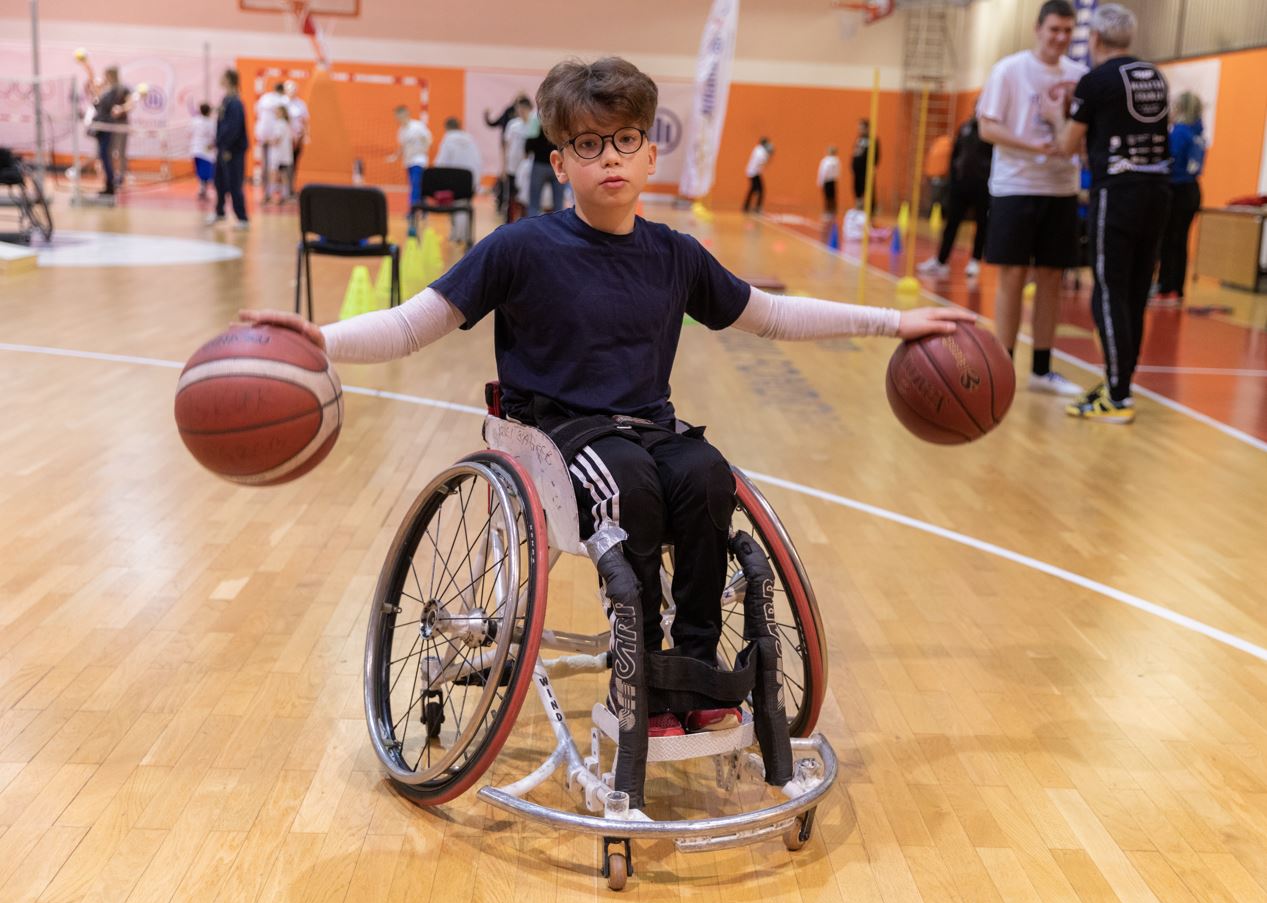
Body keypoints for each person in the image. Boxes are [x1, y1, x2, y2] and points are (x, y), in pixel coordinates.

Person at [239, 56, 971, 806]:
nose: (609, 158)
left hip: (649, 425)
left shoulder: (674, 254)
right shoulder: (520, 248)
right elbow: (411, 323)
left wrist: (893, 322)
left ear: (651, 154)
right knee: (629, 483)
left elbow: (772, 314)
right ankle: (642, 673)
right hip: (556, 434)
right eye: (588, 145)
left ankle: (693, 671)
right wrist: (317, 337)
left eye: (624, 140)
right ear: (560, 163)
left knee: (707, 474)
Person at [1041, 4, 1170, 423]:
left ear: (1094, 39)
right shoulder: (1155, 75)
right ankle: (1121, 384)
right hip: (1158, 192)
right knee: (1133, 292)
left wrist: (1052, 115)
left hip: (1117, 193)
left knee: (1109, 291)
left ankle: (1116, 397)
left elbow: (1065, 145)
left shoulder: (1095, 81)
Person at [977, 0, 1087, 395]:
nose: (1060, 37)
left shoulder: (1081, 75)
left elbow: (1083, 136)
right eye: (1054, 29)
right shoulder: (1009, 70)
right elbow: (987, 128)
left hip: (1061, 188)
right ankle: (1003, 365)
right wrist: (1035, 146)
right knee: (1011, 275)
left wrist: (1067, 143)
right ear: (1038, 29)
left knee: (1052, 278)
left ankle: (1042, 369)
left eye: (1067, 31)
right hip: (1015, 185)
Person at [918, 117, 993, 279]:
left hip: (982, 185)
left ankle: (975, 260)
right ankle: (941, 261)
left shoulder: (991, 129)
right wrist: (953, 178)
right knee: (952, 222)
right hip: (960, 184)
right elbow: (955, 154)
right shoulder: (965, 127)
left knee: (981, 224)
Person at [1154, 91, 1205, 307]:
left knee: (1170, 240)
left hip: (1178, 188)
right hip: (1192, 189)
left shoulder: (1180, 132)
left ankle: (1167, 287)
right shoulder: (1198, 132)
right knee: (1179, 240)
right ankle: (1176, 288)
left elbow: (1169, 160)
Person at [206, 69, 249, 230]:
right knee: (220, 182)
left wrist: (227, 148)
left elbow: (234, 128)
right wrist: (217, 142)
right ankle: (220, 212)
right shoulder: (225, 100)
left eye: (223, 77)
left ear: (229, 80)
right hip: (223, 148)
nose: (220, 79)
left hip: (233, 151)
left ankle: (242, 218)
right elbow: (222, 126)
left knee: (234, 184)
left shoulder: (236, 102)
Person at [432, 116, 484, 242]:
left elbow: (440, 163)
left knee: (455, 208)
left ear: (447, 127)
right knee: (465, 206)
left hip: (453, 182)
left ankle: (457, 235)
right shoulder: (470, 139)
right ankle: (464, 235)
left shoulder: (448, 139)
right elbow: (478, 161)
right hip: (470, 180)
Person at [84, 65, 131, 197]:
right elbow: (93, 81)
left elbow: (129, 102)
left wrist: (122, 109)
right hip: (101, 128)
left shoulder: (117, 90)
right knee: (104, 156)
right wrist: (86, 65)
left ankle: (112, 182)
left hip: (108, 128)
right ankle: (109, 182)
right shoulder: (103, 92)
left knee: (109, 154)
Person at [389, 106, 431, 209]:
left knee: (415, 185)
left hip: (419, 161)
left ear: (406, 114)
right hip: (408, 162)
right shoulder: (401, 131)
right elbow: (403, 147)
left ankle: (412, 210)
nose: (397, 119)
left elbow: (428, 139)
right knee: (416, 186)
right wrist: (395, 156)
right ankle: (423, 209)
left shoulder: (418, 126)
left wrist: (423, 151)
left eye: (399, 116)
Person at [502, 97, 534, 223]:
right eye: (518, 108)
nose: (520, 111)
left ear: (529, 109)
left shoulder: (534, 124)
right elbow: (506, 145)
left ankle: (525, 222)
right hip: (513, 167)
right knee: (511, 197)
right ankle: (509, 223)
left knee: (525, 197)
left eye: (523, 109)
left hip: (527, 168)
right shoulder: (513, 125)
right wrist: (504, 166)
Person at [254, 82, 287, 189]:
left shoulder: (264, 98)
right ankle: (276, 188)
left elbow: (257, 112)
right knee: (277, 165)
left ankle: (266, 187)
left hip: (262, 133)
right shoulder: (282, 100)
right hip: (274, 136)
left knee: (266, 163)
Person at [263, 105, 294, 204]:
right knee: (284, 175)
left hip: (278, 155)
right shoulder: (286, 124)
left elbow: (276, 140)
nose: (275, 113)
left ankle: (270, 195)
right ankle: (285, 194)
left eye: (277, 112)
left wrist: (267, 141)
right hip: (285, 155)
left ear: (281, 113)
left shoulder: (279, 124)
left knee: (273, 175)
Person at [284, 80, 310, 198]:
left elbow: (305, 121)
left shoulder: (301, 104)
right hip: (284, 140)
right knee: (284, 165)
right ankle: (283, 189)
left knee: (294, 164)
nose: (292, 92)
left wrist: (305, 136)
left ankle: (291, 188)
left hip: (297, 139)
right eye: (289, 89)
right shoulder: (282, 103)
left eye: (294, 89)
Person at [190, 102, 217, 201]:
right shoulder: (211, 123)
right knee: (205, 171)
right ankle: (203, 188)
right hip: (205, 150)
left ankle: (203, 188)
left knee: (202, 171)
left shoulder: (195, 121)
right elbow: (215, 136)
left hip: (196, 149)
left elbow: (190, 132)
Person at [851, 119, 879, 211]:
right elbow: (855, 152)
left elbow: (876, 154)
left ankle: (871, 209)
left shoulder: (872, 140)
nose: (859, 130)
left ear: (867, 128)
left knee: (868, 188)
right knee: (857, 188)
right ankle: (859, 207)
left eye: (862, 128)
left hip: (866, 169)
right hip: (857, 169)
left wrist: (873, 167)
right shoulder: (859, 139)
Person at [742, 137, 772, 213]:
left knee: (753, 190)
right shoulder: (761, 152)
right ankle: (757, 208)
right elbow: (762, 162)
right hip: (754, 173)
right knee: (761, 190)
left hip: (752, 172)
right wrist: (769, 156)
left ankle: (746, 206)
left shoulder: (757, 149)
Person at [816, 145, 841, 218]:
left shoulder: (826, 160)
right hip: (833, 180)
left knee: (827, 197)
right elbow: (838, 171)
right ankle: (833, 211)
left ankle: (827, 211)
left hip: (827, 181)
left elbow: (823, 172)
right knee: (832, 196)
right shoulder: (837, 160)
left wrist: (820, 181)